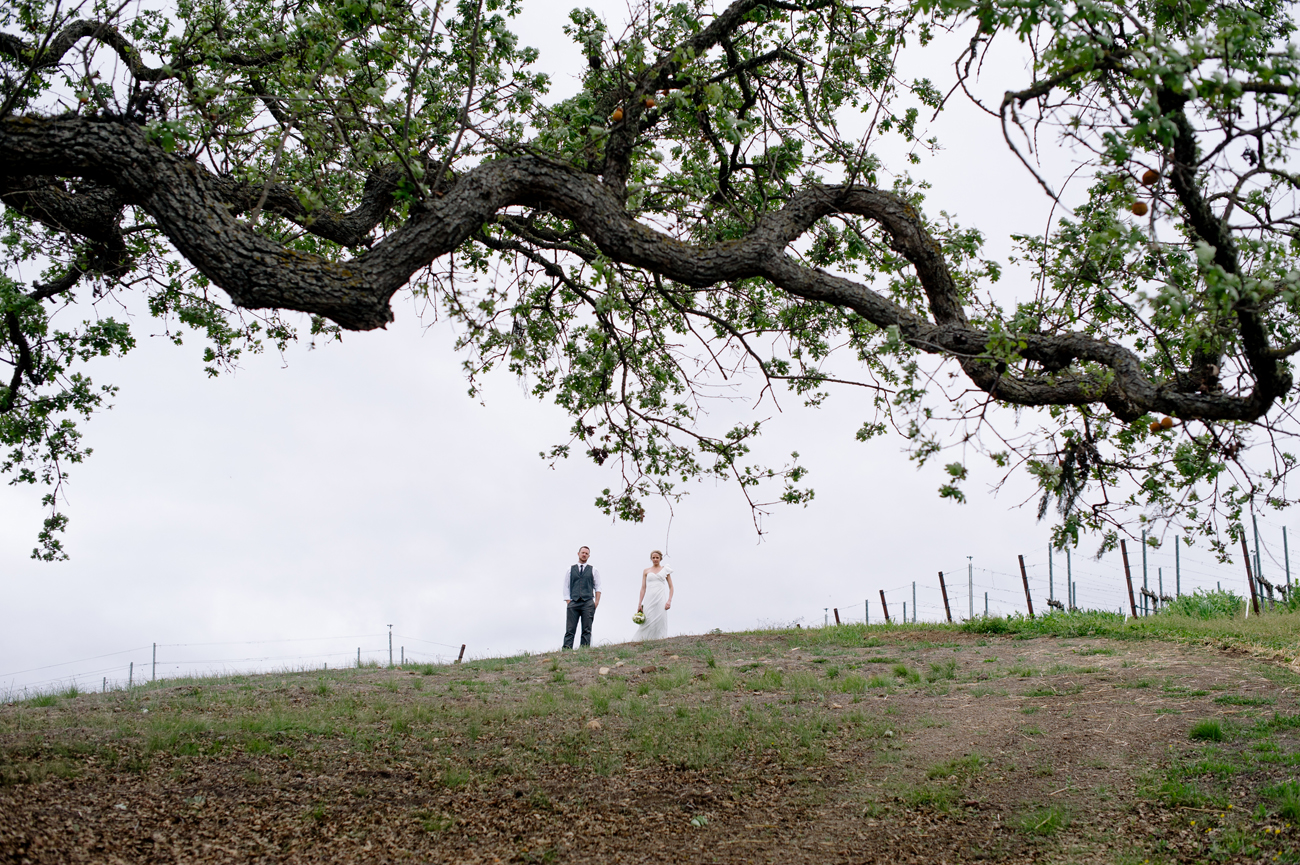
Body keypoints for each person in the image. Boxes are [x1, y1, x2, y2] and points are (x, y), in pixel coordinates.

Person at [562, 545, 602, 649]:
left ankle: (584, 650)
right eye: (582, 553)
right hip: (573, 602)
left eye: (586, 553)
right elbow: (566, 586)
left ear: (589, 556)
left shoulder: (593, 570)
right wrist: (568, 601)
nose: (584, 555)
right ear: (578, 554)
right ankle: (566, 650)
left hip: (588, 602)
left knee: (586, 629)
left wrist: (596, 602)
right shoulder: (570, 569)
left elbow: (598, 587)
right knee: (570, 629)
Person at [633, 550, 673, 641]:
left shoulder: (665, 570)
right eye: (653, 558)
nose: (655, 559)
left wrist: (669, 601)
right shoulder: (646, 571)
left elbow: (671, 587)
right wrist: (639, 603)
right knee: (648, 618)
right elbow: (643, 588)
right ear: (651, 559)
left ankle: (660, 640)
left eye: (657, 558)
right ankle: (643, 640)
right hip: (649, 598)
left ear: (660, 558)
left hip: (660, 598)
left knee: (660, 619)